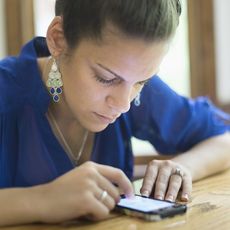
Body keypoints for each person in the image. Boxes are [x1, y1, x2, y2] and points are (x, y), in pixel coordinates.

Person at [0, 0, 230, 226]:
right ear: (58, 39)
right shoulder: (6, 92)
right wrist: (42, 199)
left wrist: (184, 167)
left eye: (142, 81)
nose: (124, 104)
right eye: (106, 78)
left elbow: (223, 139)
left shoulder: (131, 88)